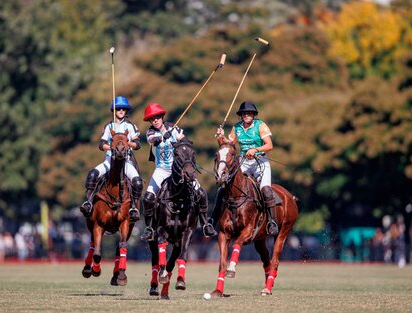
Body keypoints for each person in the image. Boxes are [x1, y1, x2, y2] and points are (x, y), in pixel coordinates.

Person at [139, 103, 216, 241]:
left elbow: (186, 141)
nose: (155, 120)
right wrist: (164, 137)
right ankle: (150, 228)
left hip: (179, 171)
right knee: (148, 197)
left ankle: (205, 224)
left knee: (201, 193)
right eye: (152, 119)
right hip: (161, 170)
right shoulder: (150, 132)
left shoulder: (173, 128)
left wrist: (179, 144)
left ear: (162, 117)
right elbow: (154, 141)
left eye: (157, 117)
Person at [213, 101, 278, 235]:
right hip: (244, 162)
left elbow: (269, 145)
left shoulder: (260, 125)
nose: (247, 115)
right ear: (241, 115)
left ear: (253, 114)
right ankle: (212, 221)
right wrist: (220, 136)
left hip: (260, 162)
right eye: (244, 113)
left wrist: (255, 149)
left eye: (249, 113)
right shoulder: (237, 128)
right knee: (223, 188)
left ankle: (272, 221)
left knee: (266, 190)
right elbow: (227, 144)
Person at [80, 96, 143, 222]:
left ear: (126, 111)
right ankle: (89, 202)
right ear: (114, 110)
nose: (120, 111)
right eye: (118, 108)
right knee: (92, 175)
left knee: (137, 182)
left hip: (126, 161)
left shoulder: (130, 126)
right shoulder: (109, 126)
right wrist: (111, 147)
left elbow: (138, 145)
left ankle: (134, 209)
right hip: (110, 160)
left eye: (123, 109)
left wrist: (126, 144)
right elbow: (101, 144)